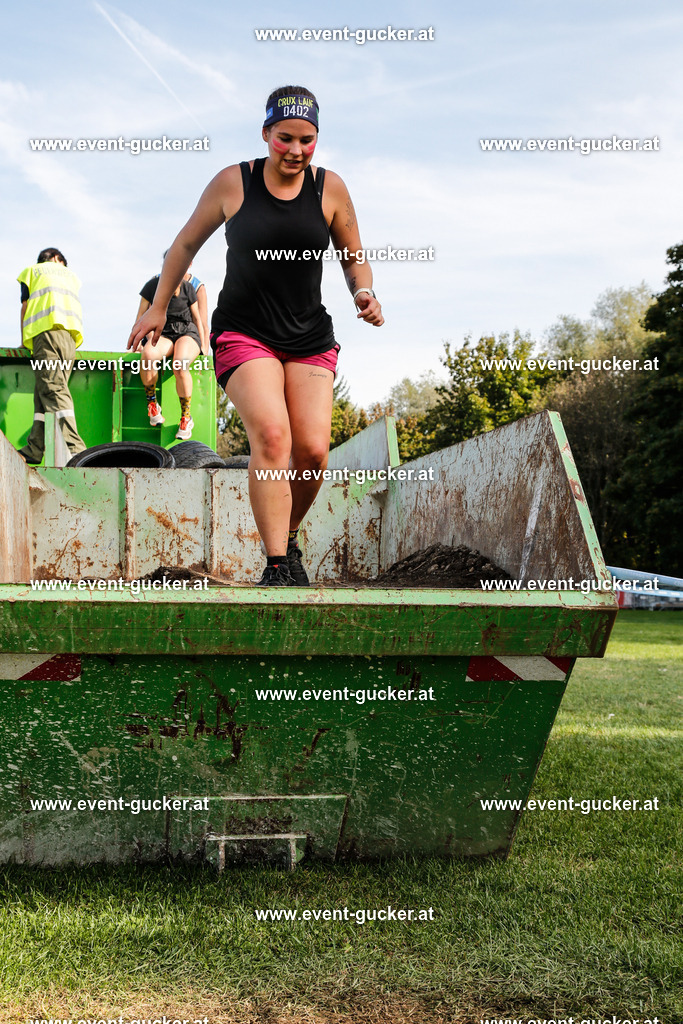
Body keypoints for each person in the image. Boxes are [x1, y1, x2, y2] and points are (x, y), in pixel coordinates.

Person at [128, 85, 384, 585]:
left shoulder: (329, 188)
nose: (295, 150)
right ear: (266, 133)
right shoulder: (233, 183)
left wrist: (364, 292)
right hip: (245, 333)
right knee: (272, 435)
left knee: (311, 452)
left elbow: (354, 256)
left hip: (309, 335)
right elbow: (183, 244)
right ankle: (275, 567)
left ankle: (285, 539)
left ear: (317, 139)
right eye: (284, 138)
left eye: (306, 140)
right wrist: (158, 307)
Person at [16, 247, 86, 465]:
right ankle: (35, 448)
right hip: (70, 337)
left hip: (45, 332)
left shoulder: (31, 272)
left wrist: (23, 340)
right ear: (57, 259)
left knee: (53, 389)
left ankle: (76, 448)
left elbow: (26, 307)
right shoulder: (71, 276)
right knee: (44, 392)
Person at [135, 261, 206, 439]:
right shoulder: (152, 286)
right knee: (148, 356)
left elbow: (199, 320)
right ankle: (152, 405)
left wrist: (205, 346)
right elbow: (141, 316)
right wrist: (138, 342)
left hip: (187, 333)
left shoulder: (190, 287)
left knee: (180, 364)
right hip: (163, 333)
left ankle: (186, 417)